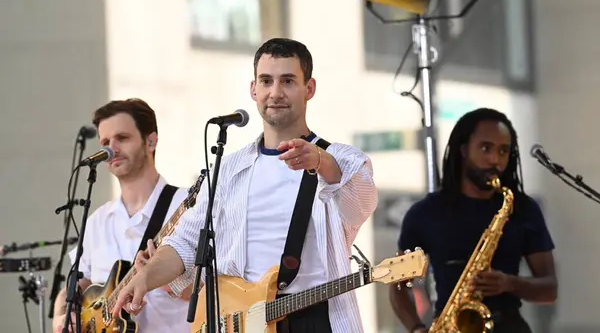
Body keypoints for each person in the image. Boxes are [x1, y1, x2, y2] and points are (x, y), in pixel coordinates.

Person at [111, 38, 378, 332]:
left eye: (288, 81)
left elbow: (361, 203)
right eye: (266, 81)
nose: (275, 92)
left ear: (309, 88)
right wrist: (144, 279)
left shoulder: (339, 159)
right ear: (253, 89)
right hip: (241, 319)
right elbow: (186, 243)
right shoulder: (228, 169)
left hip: (315, 318)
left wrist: (319, 161)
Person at [389, 108, 557, 333]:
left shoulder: (522, 208)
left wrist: (509, 283)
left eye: (503, 151)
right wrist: (417, 328)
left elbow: (549, 289)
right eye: (486, 148)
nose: (495, 160)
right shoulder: (424, 213)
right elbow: (398, 287)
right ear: (464, 150)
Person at [51, 98, 192, 333]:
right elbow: (76, 284)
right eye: (105, 142)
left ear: (151, 141)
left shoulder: (188, 205)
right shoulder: (96, 221)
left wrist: (165, 275)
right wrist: (61, 318)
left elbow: (213, 291)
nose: (111, 149)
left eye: (122, 138)